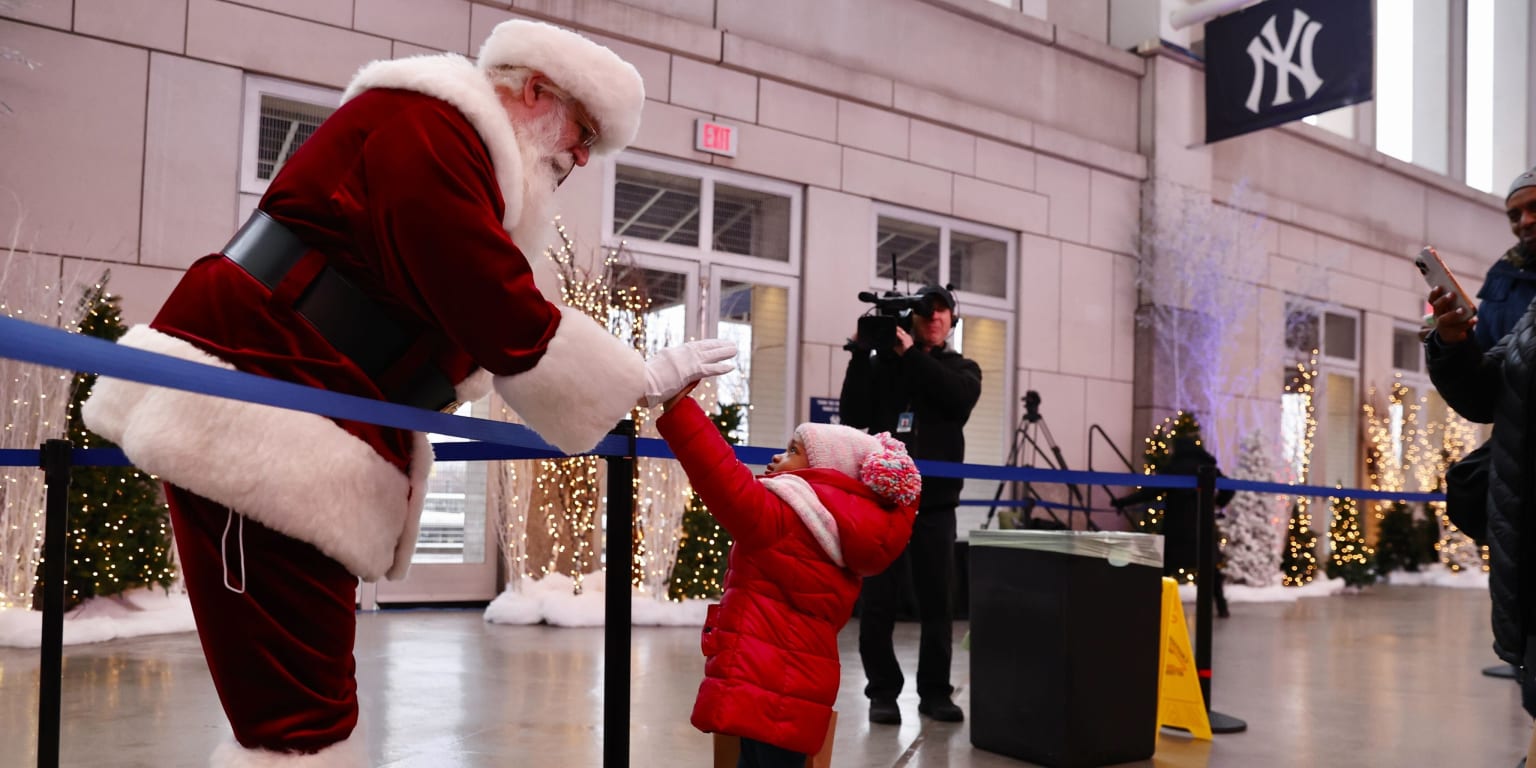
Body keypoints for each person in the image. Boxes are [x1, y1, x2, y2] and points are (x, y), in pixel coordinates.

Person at [81, 20, 734, 767]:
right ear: (534, 92)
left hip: (300, 421)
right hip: (257, 417)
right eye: (582, 132)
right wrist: (635, 377)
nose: (580, 156)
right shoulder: (427, 127)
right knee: (296, 708)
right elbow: (486, 295)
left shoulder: (451, 148)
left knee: (304, 696)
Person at [655, 383, 919, 767]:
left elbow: (720, 477)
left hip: (765, 689)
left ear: (823, 471)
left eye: (794, 451)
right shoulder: (835, 536)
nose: (779, 456)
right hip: (795, 690)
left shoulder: (786, 520)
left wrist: (679, 407)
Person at [1424, 164, 1536, 766]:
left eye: (1535, 208)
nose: (1524, 222)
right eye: (1516, 213)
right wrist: (1452, 340)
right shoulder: (1517, 301)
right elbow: (1485, 389)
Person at [838, 284, 982, 724]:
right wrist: (862, 354)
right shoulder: (885, 367)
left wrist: (908, 355)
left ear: (952, 321)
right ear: (911, 319)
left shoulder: (963, 369)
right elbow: (853, 414)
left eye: (943, 312)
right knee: (879, 603)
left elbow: (955, 401)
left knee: (938, 604)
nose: (934, 318)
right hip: (884, 504)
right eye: (926, 311)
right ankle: (882, 691)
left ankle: (935, 693)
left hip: (936, 508)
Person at [1111, 436, 1236, 617]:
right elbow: (1229, 489)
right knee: (1210, 570)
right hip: (1203, 527)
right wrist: (1216, 503)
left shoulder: (1173, 468)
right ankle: (1221, 607)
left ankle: (1158, 605)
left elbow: (1150, 492)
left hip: (1176, 528)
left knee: (1166, 569)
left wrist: (1123, 502)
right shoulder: (1208, 468)